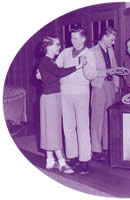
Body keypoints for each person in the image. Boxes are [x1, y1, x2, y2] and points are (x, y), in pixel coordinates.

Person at [55, 25, 97, 174]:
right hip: (65, 93)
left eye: (76, 38)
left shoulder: (89, 53)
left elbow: (91, 76)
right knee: (68, 126)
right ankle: (72, 157)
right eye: (72, 38)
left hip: (81, 93)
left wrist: (85, 65)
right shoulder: (65, 52)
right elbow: (56, 69)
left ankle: (84, 160)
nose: (73, 41)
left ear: (84, 38)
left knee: (82, 127)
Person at [39, 36, 83, 174]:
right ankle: (62, 162)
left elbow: (51, 73)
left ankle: (49, 160)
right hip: (50, 98)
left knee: (49, 128)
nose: (59, 47)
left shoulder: (47, 62)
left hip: (51, 97)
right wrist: (79, 65)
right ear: (49, 47)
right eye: (57, 45)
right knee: (53, 130)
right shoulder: (46, 61)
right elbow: (59, 72)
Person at [90, 27, 119, 160]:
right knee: (97, 118)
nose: (113, 43)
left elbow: (115, 67)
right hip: (99, 86)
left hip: (110, 86)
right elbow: (90, 73)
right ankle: (96, 149)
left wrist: (116, 83)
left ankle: (107, 147)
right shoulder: (92, 52)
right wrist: (106, 72)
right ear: (104, 37)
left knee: (108, 117)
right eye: (112, 40)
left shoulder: (111, 50)